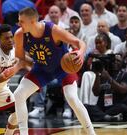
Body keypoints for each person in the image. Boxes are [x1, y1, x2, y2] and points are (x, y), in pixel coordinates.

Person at [13, 7, 96, 135]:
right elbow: (20, 58)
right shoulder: (19, 35)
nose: (19, 24)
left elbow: (79, 42)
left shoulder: (53, 30)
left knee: (72, 98)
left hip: (63, 67)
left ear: (33, 21)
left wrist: (80, 52)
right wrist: (16, 68)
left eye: (22, 21)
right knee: (19, 94)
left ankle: (91, 133)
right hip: (41, 69)